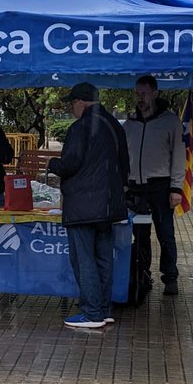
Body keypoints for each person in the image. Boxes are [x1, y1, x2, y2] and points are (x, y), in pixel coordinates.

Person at [47, 82, 129, 330]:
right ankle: (104, 310)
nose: (72, 109)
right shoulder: (116, 126)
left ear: (81, 102)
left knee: (84, 260)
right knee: (104, 258)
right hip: (109, 206)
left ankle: (92, 313)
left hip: (83, 206)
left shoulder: (80, 127)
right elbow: (125, 165)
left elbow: (70, 163)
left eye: (72, 104)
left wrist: (53, 164)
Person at [123, 75, 184, 296]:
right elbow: (124, 156)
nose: (140, 98)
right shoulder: (129, 124)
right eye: (137, 93)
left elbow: (178, 156)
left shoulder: (170, 122)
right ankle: (142, 274)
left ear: (155, 93)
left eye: (144, 93)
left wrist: (176, 188)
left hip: (160, 186)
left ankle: (170, 277)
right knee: (140, 235)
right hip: (135, 187)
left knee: (165, 233)